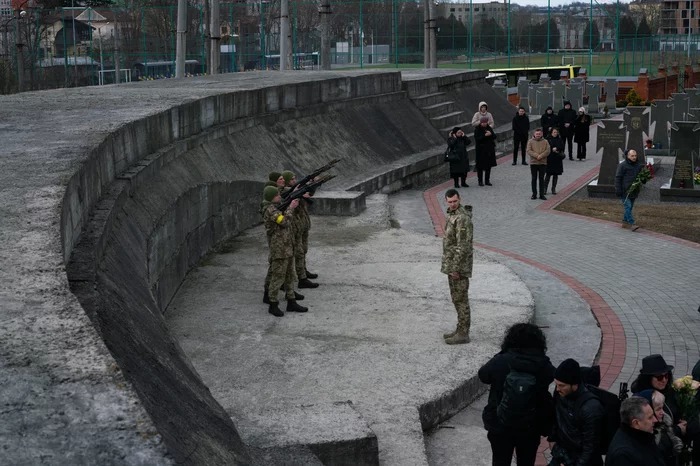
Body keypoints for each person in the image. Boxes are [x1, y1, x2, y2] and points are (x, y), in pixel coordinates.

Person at [478, 323, 555, 466]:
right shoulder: (543, 364)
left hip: (500, 424)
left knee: (500, 461)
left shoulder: (501, 360)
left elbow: (483, 375)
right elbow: (551, 377)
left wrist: (502, 354)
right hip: (530, 427)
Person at [548, 358, 605, 466]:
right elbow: (556, 417)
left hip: (583, 460)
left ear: (574, 385)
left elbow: (590, 448)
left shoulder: (591, 408)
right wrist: (553, 440)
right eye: (557, 384)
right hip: (564, 453)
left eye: (562, 385)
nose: (557, 389)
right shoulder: (560, 394)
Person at [261, 186, 307, 316]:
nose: (279, 196)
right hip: (279, 249)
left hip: (287, 246)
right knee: (278, 276)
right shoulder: (270, 210)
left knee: (289, 275)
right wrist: (291, 208)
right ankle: (273, 303)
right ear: (271, 197)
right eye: (277, 195)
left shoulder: (276, 207)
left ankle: (291, 301)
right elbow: (285, 222)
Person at [630, 355, 689, 441]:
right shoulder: (641, 400)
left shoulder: (669, 391)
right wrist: (677, 429)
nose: (664, 380)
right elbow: (651, 432)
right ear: (648, 378)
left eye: (666, 376)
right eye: (659, 377)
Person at [441, 188, 473, 345]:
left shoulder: (462, 218)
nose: (453, 204)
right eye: (450, 202)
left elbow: (463, 246)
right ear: (446, 201)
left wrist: (455, 268)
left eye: (455, 201)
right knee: (456, 298)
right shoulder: (452, 215)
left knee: (461, 300)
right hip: (452, 264)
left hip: (458, 267)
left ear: (459, 199)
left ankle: (463, 333)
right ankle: (460, 329)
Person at [281, 170, 319, 289]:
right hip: (296, 227)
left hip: (303, 225)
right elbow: (286, 201)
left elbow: (309, 195)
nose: (294, 181)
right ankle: (302, 278)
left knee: (304, 250)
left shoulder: (297, 190)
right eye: (291, 179)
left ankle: (303, 270)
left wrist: (313, 184)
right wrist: (298, 192)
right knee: (299, 252)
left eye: (294, 178)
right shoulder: (287, 193)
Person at [605, 397, 664, 466]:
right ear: (636, 423)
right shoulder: (623, 456)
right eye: (650, 417)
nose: (655, 420)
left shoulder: (644, 434)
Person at [634, 389, 684, 466]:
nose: (663, 412)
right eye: (658, 409)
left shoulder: (664, 425)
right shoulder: (647, 435)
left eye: (662, 408)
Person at [614, 149, 643, 231]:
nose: (634, 157)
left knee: (629, 208)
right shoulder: (622, 165)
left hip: (634, 190)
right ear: (627, 156)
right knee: (628, 206)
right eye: (632, 156)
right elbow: (618, 178)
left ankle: (624, 222)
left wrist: (643, 179)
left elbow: (640, 177)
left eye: (635, 156)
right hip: (624, 191)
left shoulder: (638, 165)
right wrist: (618, 189)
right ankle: (632, 223)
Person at [526, 128, 550, 200]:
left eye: (539, 134)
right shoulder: (530, 141)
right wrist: (537, 156)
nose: (538, 135)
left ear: (542, 134)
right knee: (534, 178)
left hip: (543, 163)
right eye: (537, 134)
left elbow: (548, 150)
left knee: (541, 179)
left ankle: (541, 194)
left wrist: (541, 156)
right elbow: (529, 150)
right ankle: (534, 194)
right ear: (534, 134)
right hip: (534, 163)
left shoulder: (545, 141)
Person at [474, 116, 497, 187]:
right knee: (480, 167)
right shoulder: (477, 129)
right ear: (480, 123)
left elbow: (494, 136)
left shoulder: (489, 128)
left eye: (485, 122)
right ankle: (480, 181)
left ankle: (487, 180)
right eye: (483, 122)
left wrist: (491, 134)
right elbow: (477, 139)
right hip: (480, 151)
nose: (484, 124)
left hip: (489, 150)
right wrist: (485, 135)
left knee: (488, 166)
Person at [545, 127, 565, 195]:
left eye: (556, 132)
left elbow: (562, 147)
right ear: (551, 132)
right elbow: (545, 148)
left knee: (555, 175)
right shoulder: (547, 139)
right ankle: (545, 188)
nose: (555, 133)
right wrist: (551, 149)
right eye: (554, 132)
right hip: (550, 159)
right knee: (548, 175)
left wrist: (557, 148)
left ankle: (553, 188)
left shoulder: (559, 139)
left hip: (557, 159)